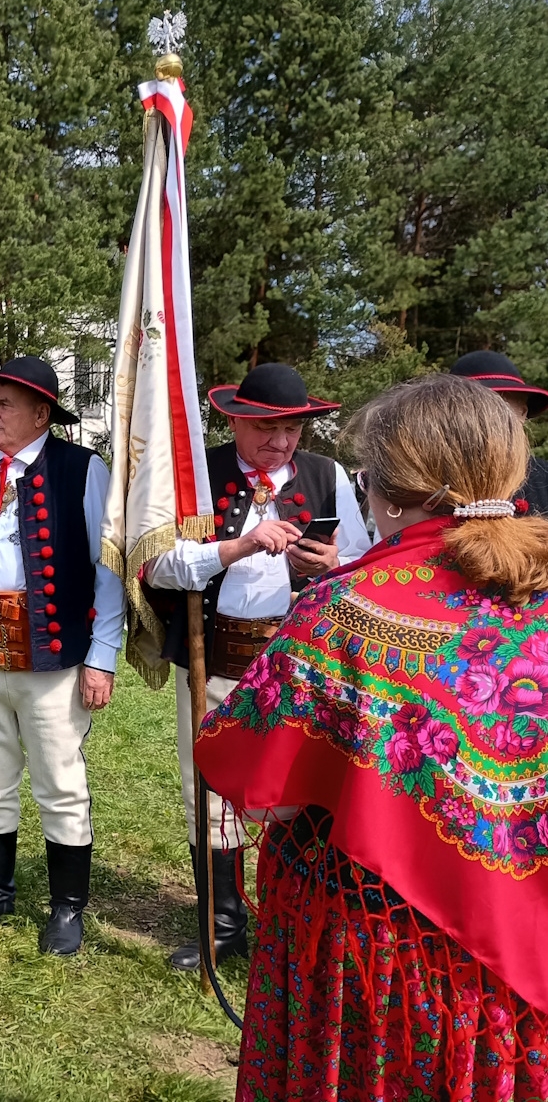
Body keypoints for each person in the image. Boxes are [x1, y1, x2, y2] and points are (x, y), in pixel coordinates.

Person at [197, 373, 548, 1100]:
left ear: (384, 491)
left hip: (376, 961)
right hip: (521, 974)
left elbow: (258, 784)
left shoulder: (345, 609)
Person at [144, 362, 370, 971]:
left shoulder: (326, 475)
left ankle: (292, 921)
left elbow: (363, 564)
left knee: (297, 789)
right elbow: (157, 566)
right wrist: (234, 547)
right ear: (236, 421)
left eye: (292, 429)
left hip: (299, 665)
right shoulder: (199, 474)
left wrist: (330, 565)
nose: (281, 440)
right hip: (213, 659)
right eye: (268, 428)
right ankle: (223, 927)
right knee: (209, 789)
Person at [0, 356, 126, 956]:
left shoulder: (82, 469)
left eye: (3, 403)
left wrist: (102, 656)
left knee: (60, 782)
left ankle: (67, 908)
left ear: (41, 414)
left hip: (53, 658)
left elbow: (107, 570)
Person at [449, 349, 548, 515]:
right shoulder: (424, 479)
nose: (487, 419)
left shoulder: (544, 478)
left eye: (501, 406)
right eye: (474, 406)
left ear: (522, 413)